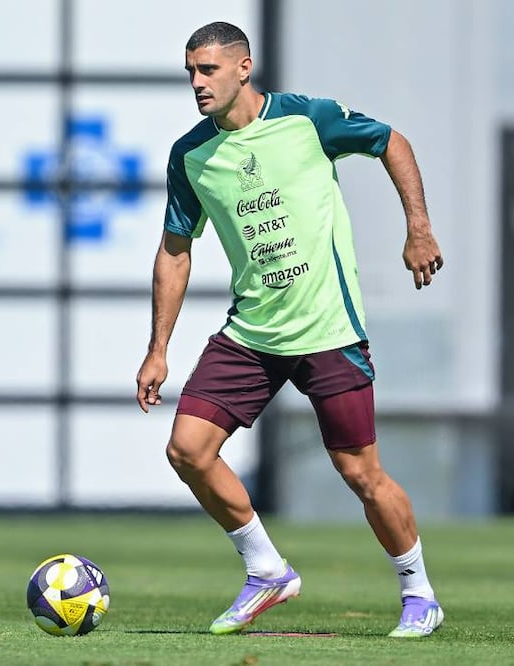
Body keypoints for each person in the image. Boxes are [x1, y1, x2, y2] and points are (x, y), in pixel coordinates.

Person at [135, 22, 444, 638]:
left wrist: (418, 229)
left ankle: (419, 593)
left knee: (361, 474)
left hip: (328, 327)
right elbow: (174, 251)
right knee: (187, 450)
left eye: (209, 70)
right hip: (252, 332)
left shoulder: (307, 119)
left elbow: (392, 142)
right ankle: (266, 569)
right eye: (191, 72)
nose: (197, 83)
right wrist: (157, 349)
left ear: (244, 68)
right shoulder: (190, 155)